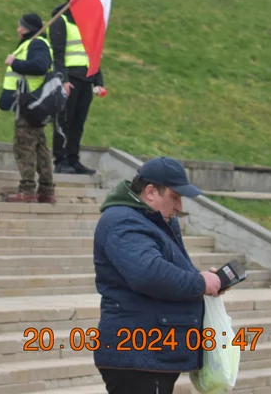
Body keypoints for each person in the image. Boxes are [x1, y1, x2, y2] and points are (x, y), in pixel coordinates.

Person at [94, 157, 223, 393]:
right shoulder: (122, 220)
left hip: (153, 351)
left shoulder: (156, 220)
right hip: (137, 352)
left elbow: (175, 270)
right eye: (175, 197)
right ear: (151, 192)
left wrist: (207, 280)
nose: (179, 207)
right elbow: (149, 274)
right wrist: (199, 282)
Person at [0, 13, 56, 203]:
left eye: (20, 26)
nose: (18, 30)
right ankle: (46, 190)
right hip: (34, 104)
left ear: (28, 28)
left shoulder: (36, 43)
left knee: (24, 147)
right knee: (40, 148)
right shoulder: (36, 43)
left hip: (28, 103)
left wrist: (14, 62)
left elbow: (40, 66)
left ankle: (27, 190)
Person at [50, 0, 103, 175]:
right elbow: (58, 53)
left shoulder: (88, 23)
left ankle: (74, 159)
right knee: (64, 121)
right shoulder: (61, 20)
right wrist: (63, 79)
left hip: (86, 80)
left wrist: (98, 80)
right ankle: (61, 160)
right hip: (69, 78)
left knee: (78, 123)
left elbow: (94, 54)